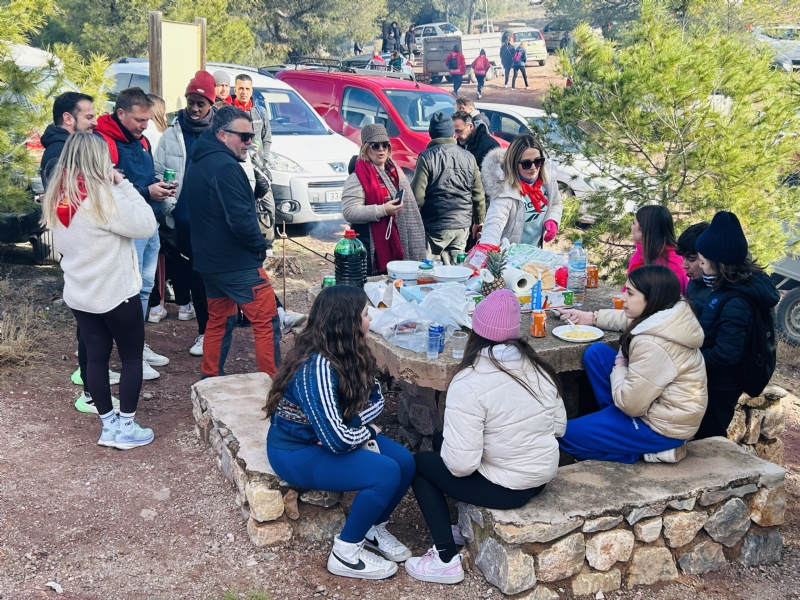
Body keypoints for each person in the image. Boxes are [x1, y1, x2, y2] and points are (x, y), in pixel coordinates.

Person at [406, 289, 566, 584]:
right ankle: (458, 528)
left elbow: (461, 466)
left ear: (475, 332)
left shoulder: (469, 380)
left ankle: (444, 559)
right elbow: (559, 428)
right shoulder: (539, 367)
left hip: (508, 488)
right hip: (541, 477)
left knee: (420, 466)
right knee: (443, 441)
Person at [266, 286, 415, 580]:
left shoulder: (353, 351)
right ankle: (345, 552)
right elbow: (337, 441)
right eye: (364, 314)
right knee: (385, 473)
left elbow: (377, 401)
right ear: (346, 322)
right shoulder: (317, 367)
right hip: (295, 451)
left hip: (328, 438)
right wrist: (362, 430)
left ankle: (373, 528)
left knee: (406, 462)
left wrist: (351, 426)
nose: (370, 319)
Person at [42, 132, 158, 449]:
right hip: (116, 293)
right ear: (100, 161)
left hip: (81, 294)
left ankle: (108, 426)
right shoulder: (104, 196)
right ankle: (127, 428)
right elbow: (146, 223)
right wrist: (123, 184)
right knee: (132, 359)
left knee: (95, 359)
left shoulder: (60, 198)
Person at [557, 265, 708, 464]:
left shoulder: (654, 345)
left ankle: (640, 453)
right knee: (597, 354)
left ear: (651, 298)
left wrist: (620, 364)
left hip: (661, 426)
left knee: (564, 435)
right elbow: (630, 318)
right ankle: (615, 423)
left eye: (629, 293)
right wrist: (592, 317)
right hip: (652, 406)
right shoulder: (668, 314)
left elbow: (631, 406)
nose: (623, 298)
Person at [182, 105, 279, 378]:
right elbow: (240, 219)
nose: (250, 143)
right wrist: (259, 246)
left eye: (252, 137)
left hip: (209, 261)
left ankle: (209, 379)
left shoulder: (201, 159)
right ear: (223, 135)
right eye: (244, 137)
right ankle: (273, 387)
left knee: (219, 320)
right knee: (266, 321)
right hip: (235, 262)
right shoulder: (224, 166)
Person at [94, 87, 173, 380]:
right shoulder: (102, 143)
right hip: (127, 231)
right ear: (121, 114)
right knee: (128, 290)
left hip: (149, 223)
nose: (145, 126)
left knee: (144, 288)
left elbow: (142, 179)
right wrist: (145, 191)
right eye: (139, 120)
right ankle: (130, 354)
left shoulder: (141, 143)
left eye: (148, 120)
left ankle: (138, 346)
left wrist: (157, 189)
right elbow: (103, 193)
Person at [693, 211, 780, 439]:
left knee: (709, 438)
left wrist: (688, 361)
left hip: (721, 384)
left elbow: (726, 354)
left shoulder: (737, 300)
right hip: (715, 379)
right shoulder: (732, 290)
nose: (701, 268)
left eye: (702, 262)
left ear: (719, 263)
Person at [153, 71, 217, 356]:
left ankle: (221, 329)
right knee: (196, 276)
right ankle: (204, 332)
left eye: (200, 103)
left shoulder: (222, 132)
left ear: (211, 105)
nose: (194, 108)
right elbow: (158, 172)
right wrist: (171, 207)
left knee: (218, 276)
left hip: (216, 221)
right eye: (191, 102)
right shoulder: (171, 134)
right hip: (186, 219)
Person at [341, 124, 426, 275]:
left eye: (385, 145)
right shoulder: (357, 177)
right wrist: (382, 210)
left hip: (398, 241)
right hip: (369, 247)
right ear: (365, 148)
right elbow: (349, 212)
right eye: (375, 145)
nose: (381, 149)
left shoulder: (395, 171)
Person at [411, 112, 485, 264]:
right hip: (462, 226)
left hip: (434, 225)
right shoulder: (469, 157)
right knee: (456, 272)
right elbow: (478, 194)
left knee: (428, 272)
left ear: (431, 134)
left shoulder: (426, 157)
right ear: (452, 133)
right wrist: (478, 221)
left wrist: (413, 222)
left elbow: (417, 196)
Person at [480, 134, 562, 248]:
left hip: (535, 253)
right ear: (514, 163)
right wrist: (486, 248)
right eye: (526, 164)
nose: (533, 167)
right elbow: (494, 223)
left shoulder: (547, 180)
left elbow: (556, 203)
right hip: (509, 259)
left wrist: (552, 220)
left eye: (538, 161)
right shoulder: (504, 189)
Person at [231, 74, 276, 257]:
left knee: (268, 203)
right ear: (235, 90)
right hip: (238, 166)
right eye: (240, 88)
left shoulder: (261, 112)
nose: (244, 92)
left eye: (247, 89)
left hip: (258, 167)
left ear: (252, 90)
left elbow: (267, 139)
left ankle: (268, 242)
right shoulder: (229, 112)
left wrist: (263, 159)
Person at [41, 92, 98, 188]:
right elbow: (66, 197)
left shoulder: (71, 146)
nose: (95, 122)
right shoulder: (60, 152)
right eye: (89, 117)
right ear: (68, 119)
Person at [627, 205, 688, 294]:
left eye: (634, 223)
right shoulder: (640, 254)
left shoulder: (674, 263)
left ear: (644, 228)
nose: (631, 227)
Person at [676, 222, 711, 309]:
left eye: (691, 259)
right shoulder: (694, 283)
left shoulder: (731, 294)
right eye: (683, 258)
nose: (684, 265)